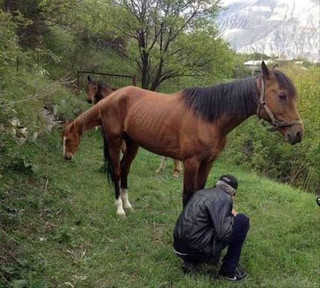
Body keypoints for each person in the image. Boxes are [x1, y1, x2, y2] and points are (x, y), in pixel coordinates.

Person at [173, 174, 250, 282]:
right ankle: (228, 271)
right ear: (233, 193)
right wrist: (231, 217)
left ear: (217, 184)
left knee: (201, 227)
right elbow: (224, 234)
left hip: (179, 247)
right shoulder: (225, 199)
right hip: (195, 250)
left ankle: (191, 262)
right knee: (242, 221)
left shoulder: (201, 192)